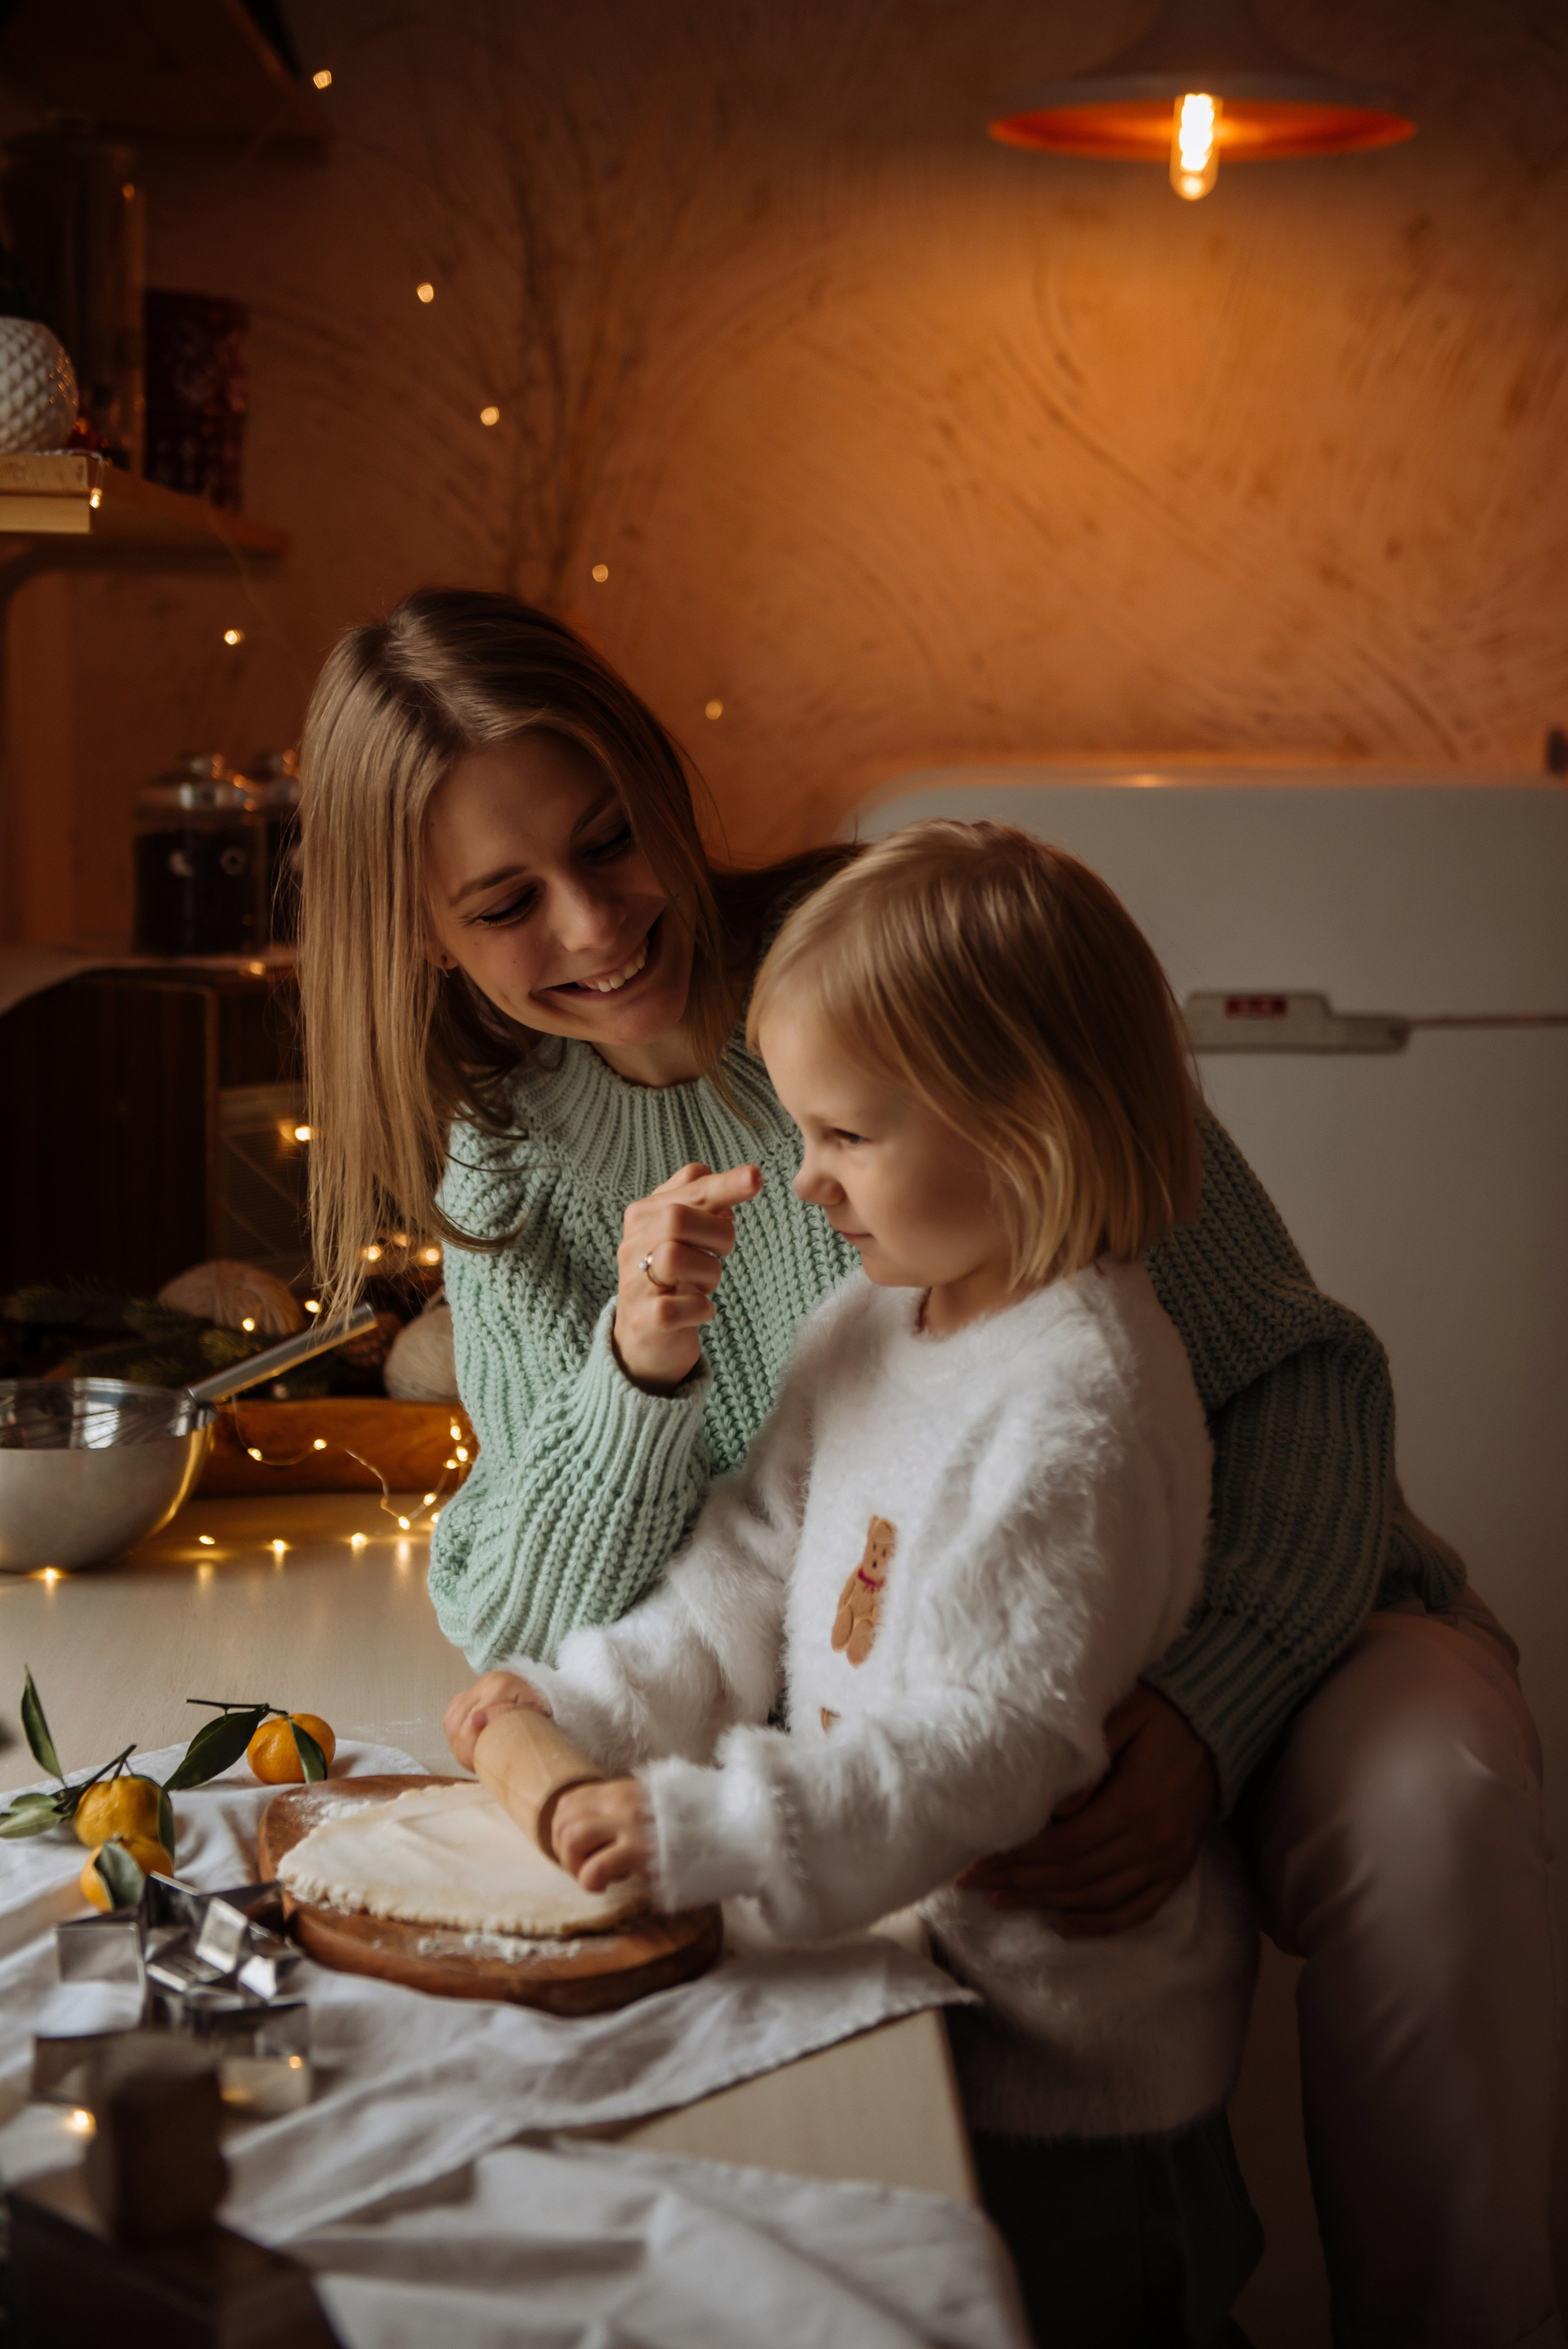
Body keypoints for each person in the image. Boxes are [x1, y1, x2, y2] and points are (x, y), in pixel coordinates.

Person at [300, 587, 1561, 2347]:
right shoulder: (507, 1155)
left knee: (1432, 1794)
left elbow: (1301, 1384)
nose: (594, 922)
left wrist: (1205, 1712)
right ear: (421, 934)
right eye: (506, 903)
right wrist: (641, 1366)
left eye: (608, 838)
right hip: (905, 1690)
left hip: (1250, 1599)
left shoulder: (902, 953)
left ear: (659, 781)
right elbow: (538, 1606)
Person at [445, 820, 1265, 2343]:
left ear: (1023, 1126)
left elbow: (990, 1745)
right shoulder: (879, 1319)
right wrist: (581, 1708)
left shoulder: (1074, 1397)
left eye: (844, 1136)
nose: (806, 1182)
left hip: (1070, 2075)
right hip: (902, 1976)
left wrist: (705, 1825)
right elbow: (746, 1562)